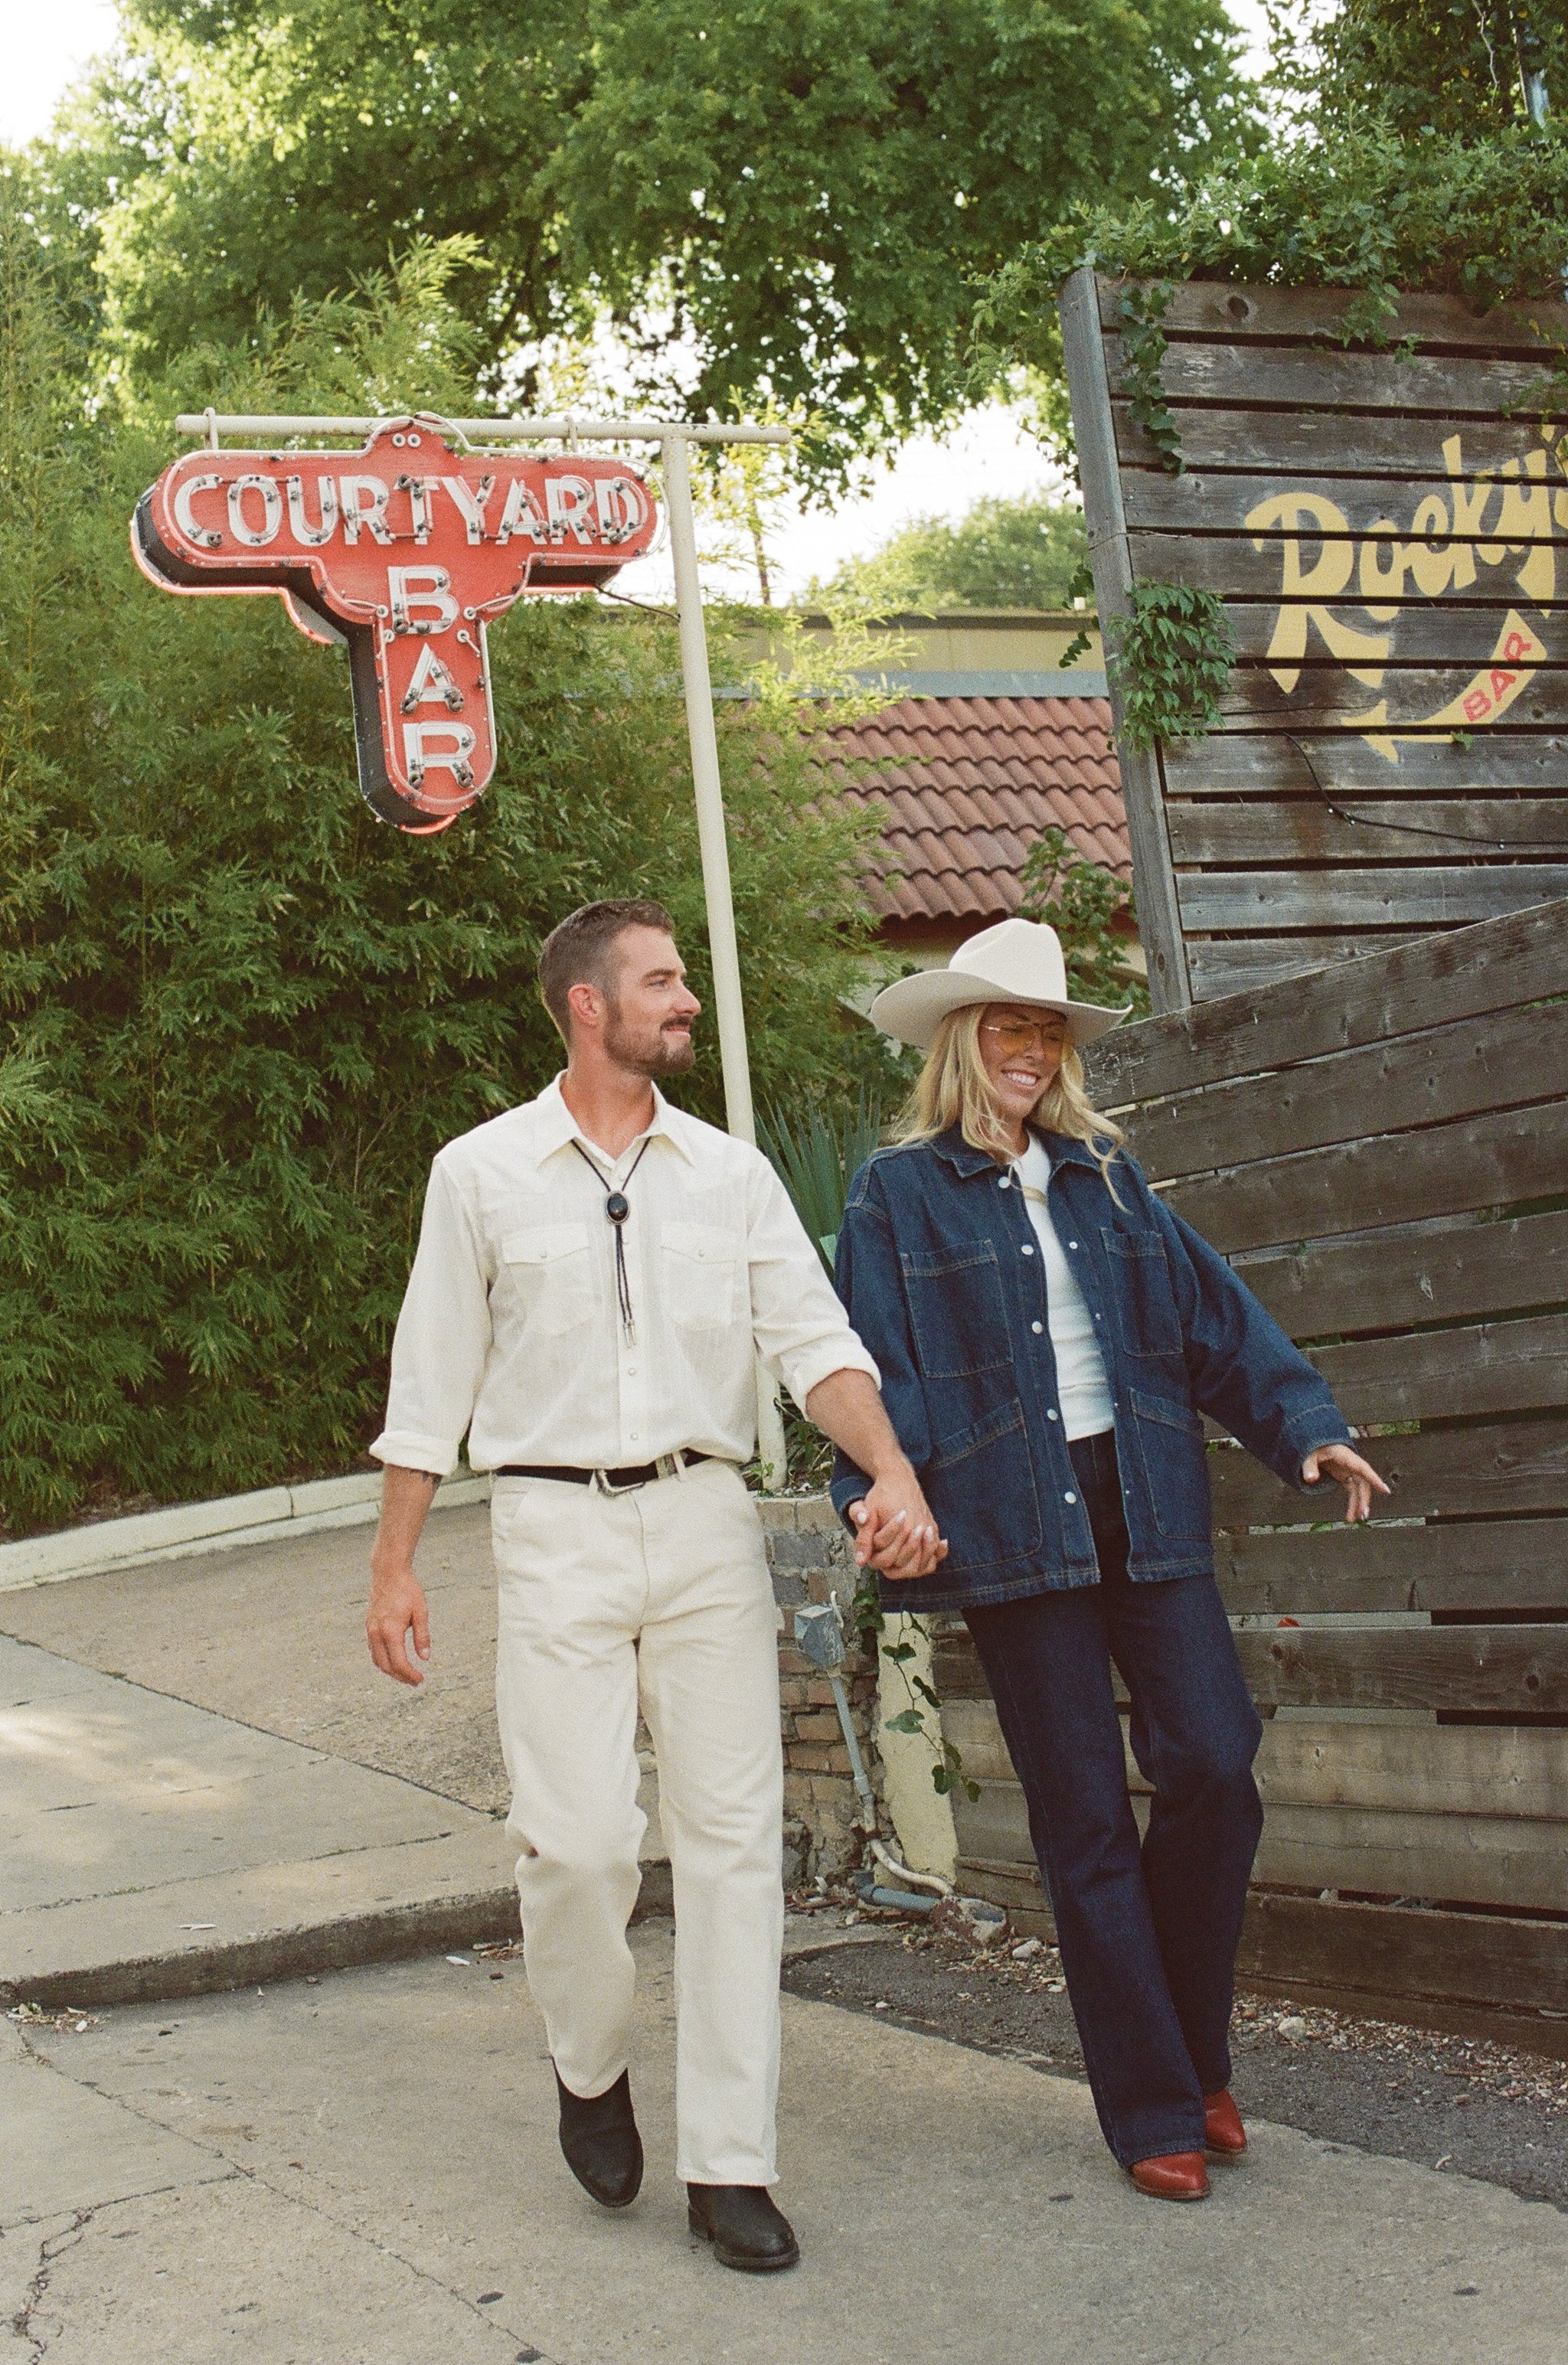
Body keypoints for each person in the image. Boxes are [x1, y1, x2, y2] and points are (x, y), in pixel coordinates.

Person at [364, 897, 942, 2272]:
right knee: (576, 1847)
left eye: (685, 978)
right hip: (552, 1528)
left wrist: (893, 1472)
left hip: (701, 1518)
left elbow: (815, 1342)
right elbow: (429, 1377)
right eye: (663, 980)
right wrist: (393, 1563)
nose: (686, 1000)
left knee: (736, 1847)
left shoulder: (729, 1176)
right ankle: (589, 2061)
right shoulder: (480, 1173)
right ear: (585, 1002)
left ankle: (729, 2163)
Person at [830, 916, 1387, 2202]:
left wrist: (1306, 1428)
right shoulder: (897, 1191)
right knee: (1083, 1817)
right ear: (963, 1042)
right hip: (1012, 1513)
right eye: (1007, 1027)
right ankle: (1154, 2103)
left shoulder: (1108, 1176)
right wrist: (881, 1494)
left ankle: (1191, 2053)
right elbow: (866, 1359)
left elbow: (1215, 1320)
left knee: (1214, 1764)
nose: (1030, 1049)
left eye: (1047, 1031)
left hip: (1144, 1494)